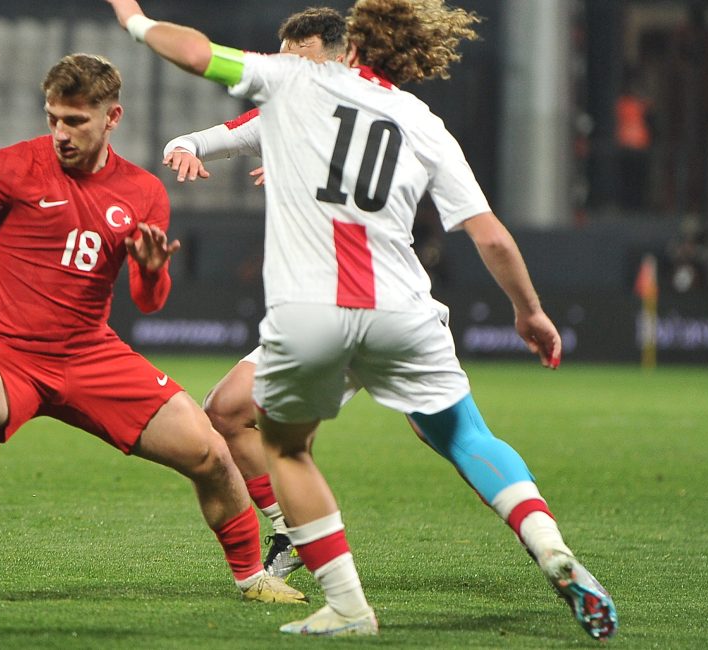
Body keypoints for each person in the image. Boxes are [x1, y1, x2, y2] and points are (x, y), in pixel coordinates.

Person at [106, 0, 617, 640]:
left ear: (348, 48)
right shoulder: (421, 119)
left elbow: (194, 52)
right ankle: (552, 550)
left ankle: (347, 604)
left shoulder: (294, 80)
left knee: (288, 447)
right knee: (464, 436)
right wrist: (531, 311)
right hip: (403, 313)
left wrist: (133, 18)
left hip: (314, 315)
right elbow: (491, 238)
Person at [0, 53, 305, 605]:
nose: (61, 133)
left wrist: (155, 270)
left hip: (92, 357)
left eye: (75, 121)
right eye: (53, 119)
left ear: (112, 118)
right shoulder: (17, 166)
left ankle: (253, 576)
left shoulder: (142, 193)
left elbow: (148, 300)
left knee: (211, 454)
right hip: (8, 353)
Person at [161, 6, 355, 581]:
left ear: (341, 59)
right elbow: (202, 137)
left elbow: (400, 179)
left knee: (450, 434)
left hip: (373, 303)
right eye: (284, 64)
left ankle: (545, 542)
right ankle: (295, 535)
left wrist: (313, 171)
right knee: (226, 413)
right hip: (309, 309)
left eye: (306, 63)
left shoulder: (377, 111)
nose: (292, 77)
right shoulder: (278, 116)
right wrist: (184, 148)